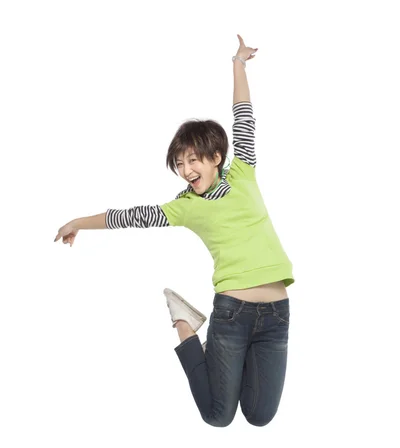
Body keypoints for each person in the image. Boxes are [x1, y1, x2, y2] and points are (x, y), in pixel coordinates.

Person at [54, 34, 295, 428]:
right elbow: (128, 216)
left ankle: (212, 348)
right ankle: (184, 321)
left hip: (277, 315)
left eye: (193, 160)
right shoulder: (186, 206)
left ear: (216, 157)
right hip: (232, 313)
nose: (186, 170)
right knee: (218, 415)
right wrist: (79, 222)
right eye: (179, 164)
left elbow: (243, 115)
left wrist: (238, 63)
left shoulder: (243, 170)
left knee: (259, 416)